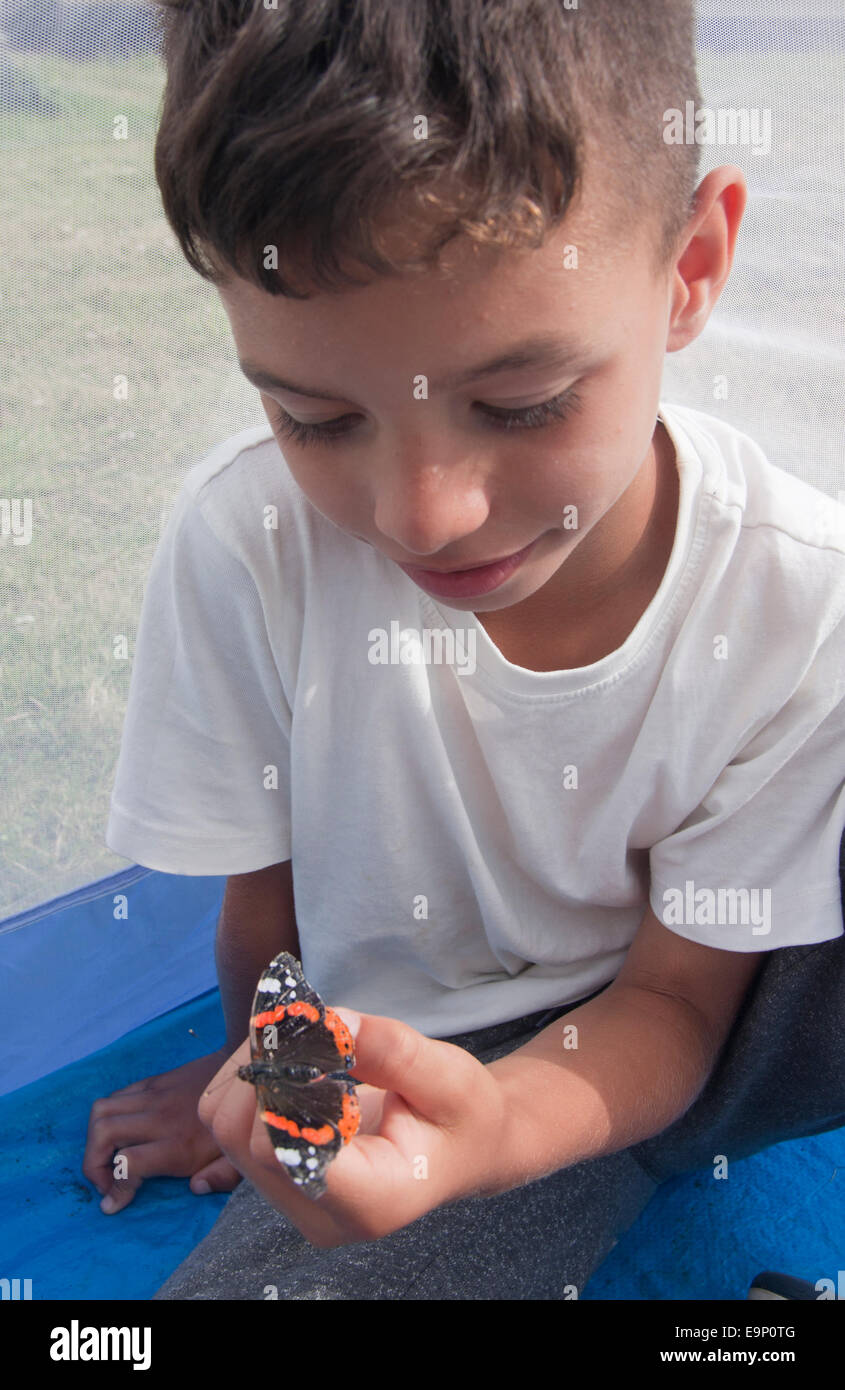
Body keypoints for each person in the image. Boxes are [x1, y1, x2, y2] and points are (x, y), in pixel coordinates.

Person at [85, 0, 845, 1299]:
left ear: (690, 267)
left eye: (523, 403)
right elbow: (263, 931)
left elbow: (677, 1005)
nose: (419, 514)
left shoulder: (796, 596)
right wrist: (285, 1089)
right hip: (452, 1054)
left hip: (757, 1009)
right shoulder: (241, 547)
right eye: (314, 416)